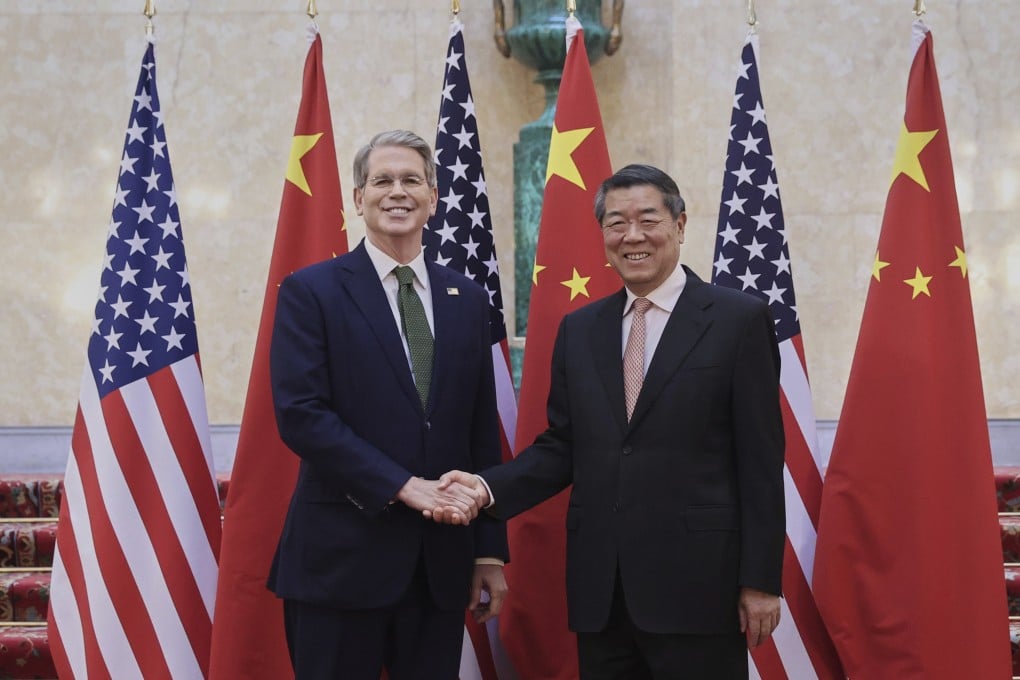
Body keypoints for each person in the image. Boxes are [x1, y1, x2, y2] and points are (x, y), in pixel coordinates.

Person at [436, 164, 785, 679]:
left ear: (680, 225)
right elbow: (562, 447)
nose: (633, 236)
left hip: (700, 590)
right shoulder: (580, 330)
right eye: (617, 223)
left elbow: (760, 461)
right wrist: (485, 489)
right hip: (603, 592)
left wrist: (761, 581)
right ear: (603, 236)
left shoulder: (738, 320)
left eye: (648, 219)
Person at [267, 129, 508, 679]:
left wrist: (489, 551)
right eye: (382, 180)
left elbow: (480, 433)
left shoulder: (466, 300)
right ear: (359, 198)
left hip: (439, 568)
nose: (396, 192)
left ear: (433, 197)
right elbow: (302, 414)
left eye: (411, 180)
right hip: (339, 563)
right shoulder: (312, 291)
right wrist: (402, 485)